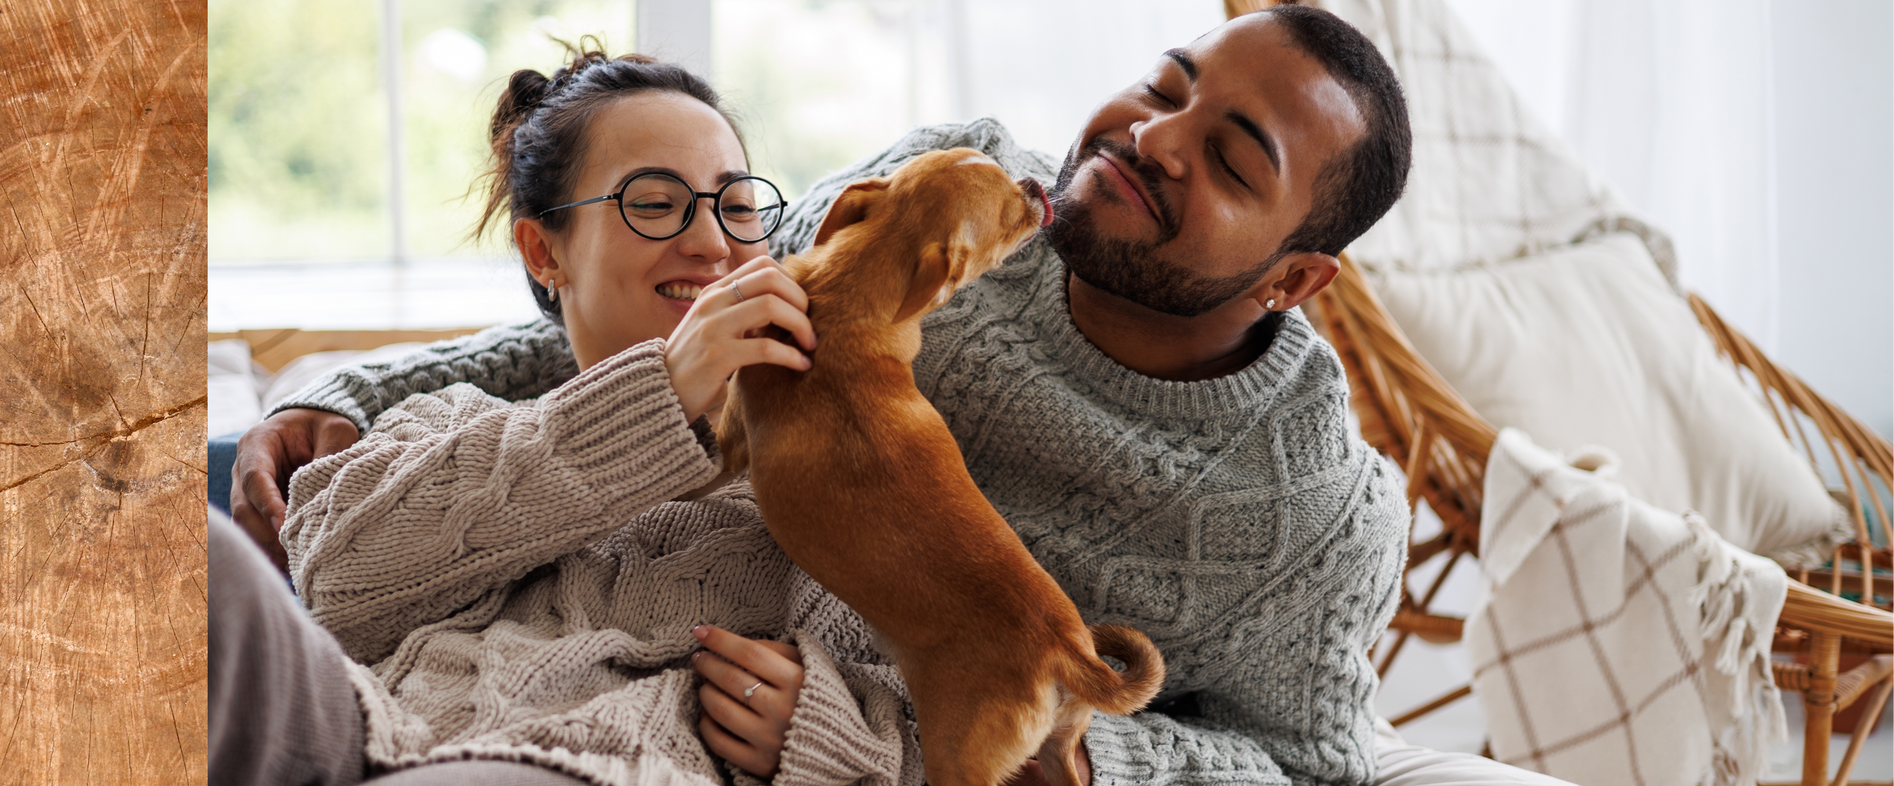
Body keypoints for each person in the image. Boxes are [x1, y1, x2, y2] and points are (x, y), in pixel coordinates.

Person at [232, 8, 1577, 786]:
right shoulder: (955, 190)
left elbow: (1305, 763)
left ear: (1292, 279)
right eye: (1168, 86)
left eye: (1227, 156)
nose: (1148, 138)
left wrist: (954, 741)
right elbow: (688, 314)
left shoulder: (1311, 510)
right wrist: (365, 386)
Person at [211, 47, 926, 786]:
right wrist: (657, 395)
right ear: (542, 249)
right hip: (354, 730)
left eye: (738, 206)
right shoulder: (450, 422)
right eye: (654, 202)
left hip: (602, 763)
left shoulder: (826, 489)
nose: (713, 242)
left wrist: (834, 733)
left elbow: (936, 716)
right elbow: (331, 584)